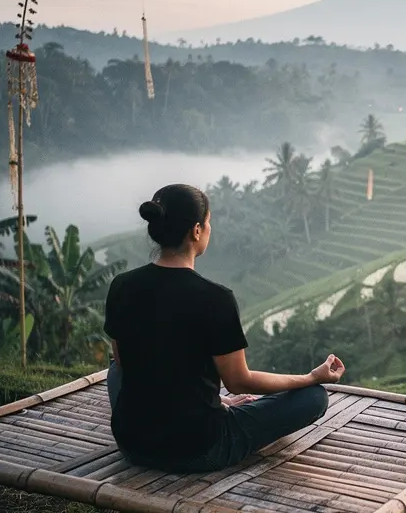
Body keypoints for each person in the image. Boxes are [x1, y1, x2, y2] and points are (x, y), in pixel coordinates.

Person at [103, 183, 345, 473]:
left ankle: (201, 408)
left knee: (116, 369)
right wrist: (310, 377)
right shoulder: (215, 298)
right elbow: (239, 381)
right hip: (199, 448)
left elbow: (125, 363)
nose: (209, 228)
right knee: (314, 397)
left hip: (133, 442)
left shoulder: (122, 285)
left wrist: (216, 399)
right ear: (196, 231)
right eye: (208, 222)